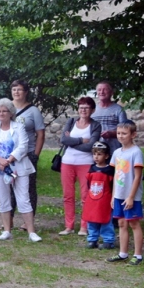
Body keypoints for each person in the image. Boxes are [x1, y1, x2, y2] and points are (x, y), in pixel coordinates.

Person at [0, 99, 41, 242]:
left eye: (4, 111)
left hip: (18, 167)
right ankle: (6, 231)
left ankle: (31, 232)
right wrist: (0, 160)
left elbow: (23, 146)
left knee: (23, 199)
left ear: (10, 113)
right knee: (3, 200)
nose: (1, 114)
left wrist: (8, 160)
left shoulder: (19, 127)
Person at [58, 96, 101, 236]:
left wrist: (72, 142)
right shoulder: (71, 122)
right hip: (67, 162)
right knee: (67, 196)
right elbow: (63, 139)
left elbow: (91, 146)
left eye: (87, 108)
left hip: (86, 163)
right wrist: (81, 140)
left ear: (92, 110)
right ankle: (68, 226)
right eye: (81, 107)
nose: (83, 110)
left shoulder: (95, 125)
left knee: (86, 196)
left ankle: (84, 226)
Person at [106, 121, 144, 266]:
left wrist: (131, 197)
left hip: (131, 196)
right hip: (119, 195)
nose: (120, 136)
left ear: (133, 135)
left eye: (124, 133)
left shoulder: (136, 152)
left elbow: (137, 177)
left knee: (133, 223)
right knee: (121, 223)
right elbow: (116, 175)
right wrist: (113, 196)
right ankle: (123, 253)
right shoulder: (117, 153)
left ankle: (138, 255)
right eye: (118, 133)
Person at [5, 80, 45, 220]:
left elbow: (40, 134)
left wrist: (35, 155)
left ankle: (28, 220)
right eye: (14, 89)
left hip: (27, 154)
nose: (16, 92)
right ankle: (8, 219)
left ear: (26, 92)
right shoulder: (4, 107)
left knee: (28, 188)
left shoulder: (33, 111)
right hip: (7, 154)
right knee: (8, 186)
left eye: (19, 89)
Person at [83, 142, 115, 250]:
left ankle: (108, 241)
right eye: (94, 154)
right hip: (92, 200)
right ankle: (92, 239)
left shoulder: (110, 171)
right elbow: (89, 185)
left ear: (106, 156)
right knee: (92, 220)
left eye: (99, 154)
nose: (96, 157)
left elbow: (113, 186)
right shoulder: (92, 169)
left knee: (106, 220)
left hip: (105, 201)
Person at [93, 81, 127, 155]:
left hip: (114, 150)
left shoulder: (119, 110)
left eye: (105, 89)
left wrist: (112, 134)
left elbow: (125, 131)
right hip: (96, 152)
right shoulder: (92, 110)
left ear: (111, 92)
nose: (102, 92)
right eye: (99, 90)